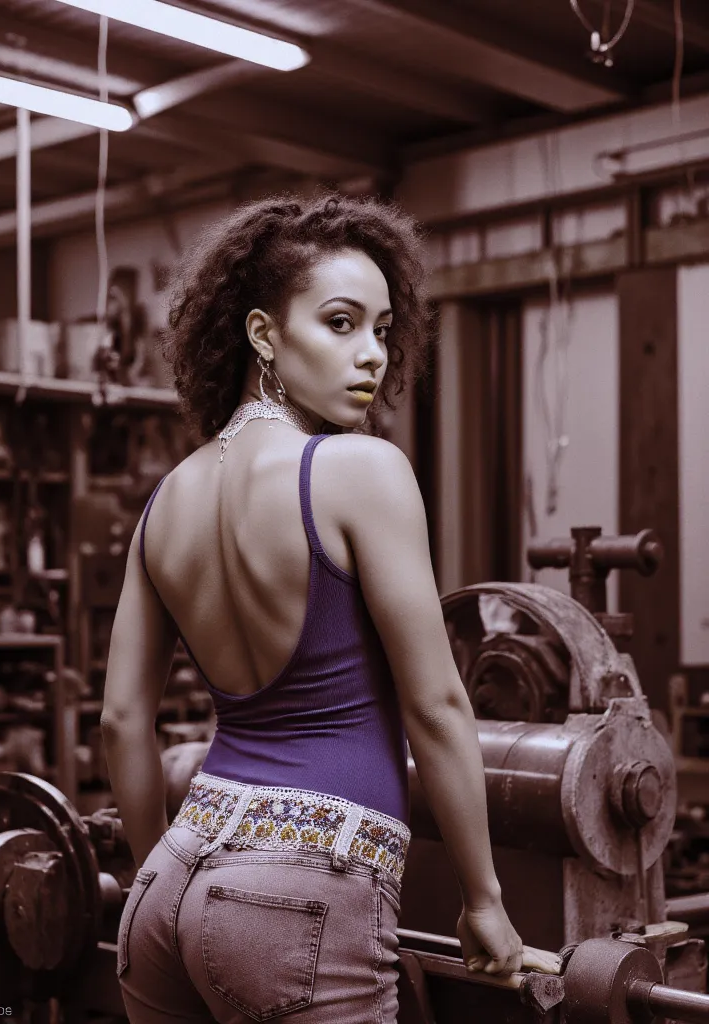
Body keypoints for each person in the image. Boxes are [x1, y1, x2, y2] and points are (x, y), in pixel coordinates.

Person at [101, 193, 523, 1023]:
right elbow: (436, 705)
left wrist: (164, 879)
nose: (371, 355)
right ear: (264, 335)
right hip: (303, 892)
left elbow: (121, 719)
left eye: (383, 328)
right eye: (340, 323)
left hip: (170, 882)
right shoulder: (361, 469)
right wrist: (483, 898)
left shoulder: (164, 502)